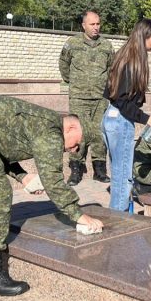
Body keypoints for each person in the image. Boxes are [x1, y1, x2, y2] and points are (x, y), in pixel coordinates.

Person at [0, 95, 104, 297]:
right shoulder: (51, 131)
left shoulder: (42, 123)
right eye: (78, 144)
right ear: (71, 128)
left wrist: (22, 176)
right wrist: (78, 215)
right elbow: (53, 181)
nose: (74, 150)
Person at [101, 19, 151, 211]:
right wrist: (146, 118)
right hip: (121, 121)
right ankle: (118, 221)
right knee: (123, 178)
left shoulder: (124, 56)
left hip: (110, 118)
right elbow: (123, 101)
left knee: (118, 174)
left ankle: (119, 214)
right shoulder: (132, 62)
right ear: (144, 37)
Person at [59, 10, 114, 186]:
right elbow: (63, 65)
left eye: (98, 24)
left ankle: (100, 170)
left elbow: (111, 68)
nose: (96, 27)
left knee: (100, 133)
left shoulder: (106, 45)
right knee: (78, 133)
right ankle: (76, 169)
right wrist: (75, 82)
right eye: (92, 24)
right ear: (84, 25)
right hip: (79, 97)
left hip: (100, 98)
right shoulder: (72, 43)